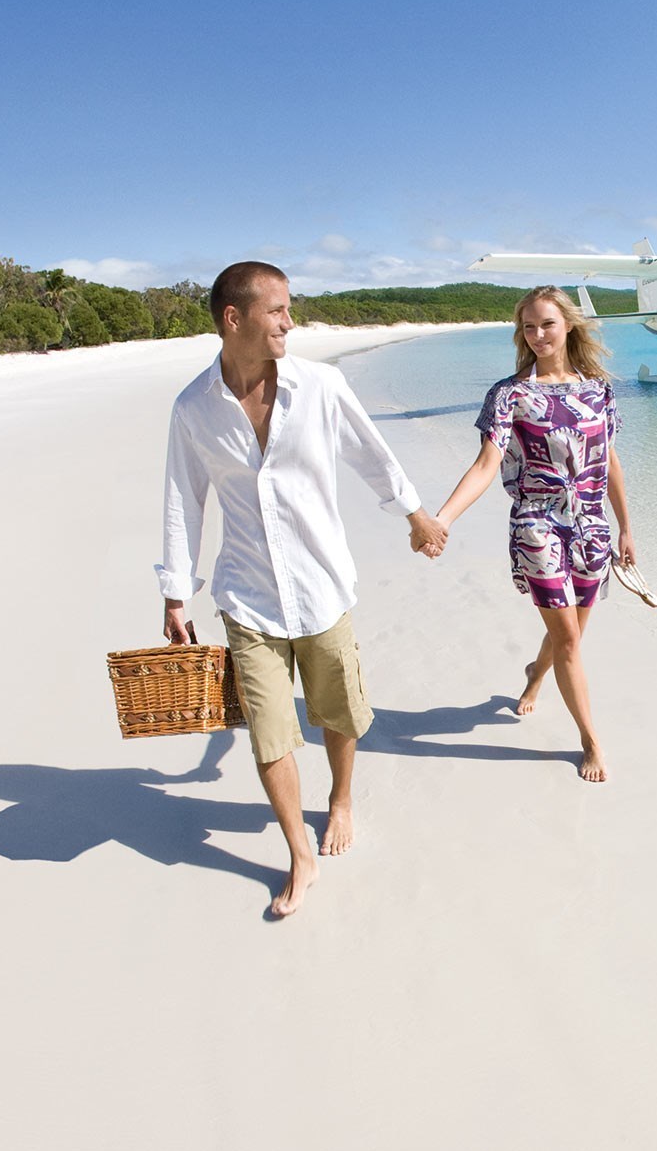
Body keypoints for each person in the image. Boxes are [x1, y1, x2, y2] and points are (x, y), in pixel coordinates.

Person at [157, 261, 447, 918]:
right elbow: (184, 498)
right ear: (235, 319)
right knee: (270, 732)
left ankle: (341, 797)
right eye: (279, 310)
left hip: (321, 585)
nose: (292, 321)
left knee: (337, 709)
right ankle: (299, 851)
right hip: (247, 595)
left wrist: (416, 515)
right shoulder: (193, 408)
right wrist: (178, 592)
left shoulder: (320, 385)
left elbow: (372, 452)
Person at [434, 286, 637, 783]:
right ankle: (590, 740)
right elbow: (486, 464)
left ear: (568, 325)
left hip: (591, 525)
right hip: (538, 525)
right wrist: (443, 518)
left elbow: (608, 460)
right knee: (568, 637)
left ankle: (535, 674)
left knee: (571, 636)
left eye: (547, 323)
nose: (538, 334)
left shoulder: (599, 389)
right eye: (529, 327)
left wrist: (627, 527)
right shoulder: (510, 394)